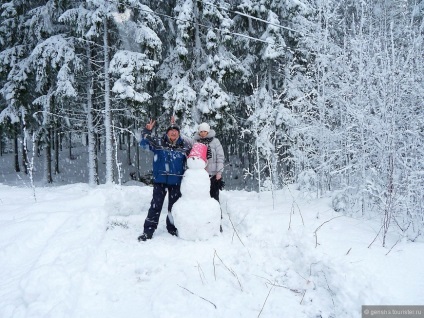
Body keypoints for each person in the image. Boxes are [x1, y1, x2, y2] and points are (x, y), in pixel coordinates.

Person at [137, 119, 191, 241]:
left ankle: (172, 229)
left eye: (175, 130)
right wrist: (147, 130)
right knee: (155, 207)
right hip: (160, 181)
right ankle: (148, 231)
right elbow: (143, 143)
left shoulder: (184, 146)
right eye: (171, 130)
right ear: (167, 133)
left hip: (176, 182)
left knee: (173, 207)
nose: (173, 133)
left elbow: (195, 157)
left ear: (179, 133)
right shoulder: (159, 143)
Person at [194, 122, 225, 202]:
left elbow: (220, 157)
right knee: (203, 198)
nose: (203, 133)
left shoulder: (215, 141)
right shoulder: (196, 142)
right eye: (201, 131)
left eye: (205, 131)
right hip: (201, 175)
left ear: (208, 131)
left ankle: (217, 214)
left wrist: (219, 172)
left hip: (214, 175)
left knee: (214, 198)